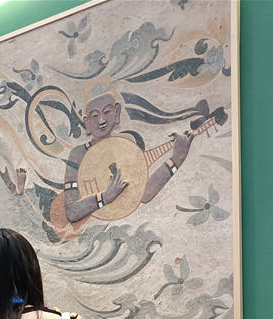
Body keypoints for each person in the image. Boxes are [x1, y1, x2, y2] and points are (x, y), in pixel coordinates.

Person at [63, 91, 194, 223]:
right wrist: (104, 197)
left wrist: (176, 159)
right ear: (87, 122)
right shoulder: (78, 153)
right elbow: (72, 212)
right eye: (95, 116)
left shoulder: (126, 146)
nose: (101, 120)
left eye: (107, 112)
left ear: (117, 111)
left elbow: (144, 193)